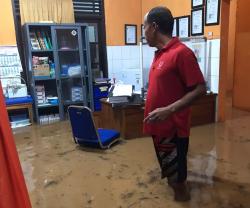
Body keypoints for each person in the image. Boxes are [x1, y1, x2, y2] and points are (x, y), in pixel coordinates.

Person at [143, 6, 206, 202]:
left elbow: (200, 89)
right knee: (170, 175)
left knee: (177, 181)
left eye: (144, 27)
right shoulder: (160, 53)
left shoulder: (182, 53)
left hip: (173, 130)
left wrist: (169, 110)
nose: (143, 32)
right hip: (160, 128)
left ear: (153, 27)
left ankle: (184, 199)